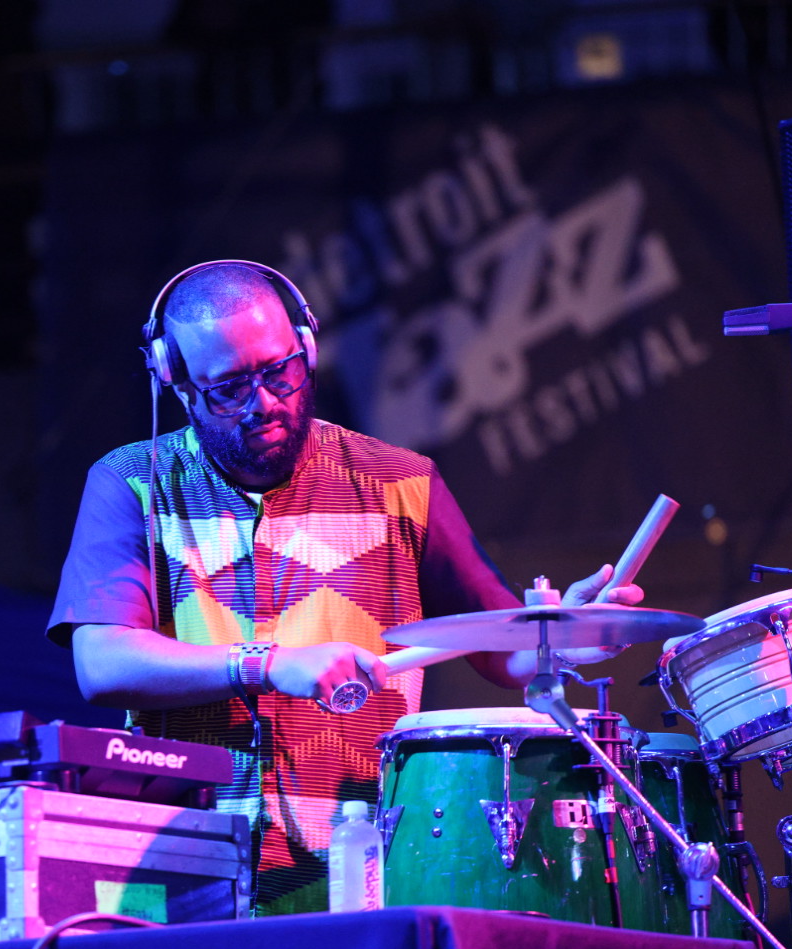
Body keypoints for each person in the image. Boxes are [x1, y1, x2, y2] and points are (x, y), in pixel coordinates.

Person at [46, 260, 642, 914]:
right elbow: (101, 662)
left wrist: (573, 638)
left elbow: (500, 649)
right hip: (185, 862)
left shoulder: (401, 482)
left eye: (281, 371)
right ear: (177, 383)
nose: (265, 402)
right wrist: (269, 666)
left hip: (361, 864)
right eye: (229, 389)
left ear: (307, 347)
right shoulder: (133, 481)